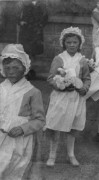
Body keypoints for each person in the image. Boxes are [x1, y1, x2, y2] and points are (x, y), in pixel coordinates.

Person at [45, 27, 91, 166]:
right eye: (69, 42)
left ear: (79, 44)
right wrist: (60, 85)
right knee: (55, 125)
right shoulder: (59, 58)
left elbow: (87, 78)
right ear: (64, 43)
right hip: (60, 97)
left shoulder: (82, 60)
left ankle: (71, 154)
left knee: (72, 126)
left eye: (74, 42)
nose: (71, 45)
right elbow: (51, 78)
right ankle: (52, 155)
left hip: (76, 98)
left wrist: (84, 88)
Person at [0, 44, 45, 180]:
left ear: (24, 68)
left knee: (14, 171)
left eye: (15, 67)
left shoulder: (32, 92)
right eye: (7, 68)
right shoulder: (1, 88)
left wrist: (22, 128)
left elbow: (40, 120)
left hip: (19, 142)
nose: (11, 72)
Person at [18, 0, 48, 79]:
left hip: (36, 33)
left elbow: (45, 17)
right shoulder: (25, 4)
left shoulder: (42, 5)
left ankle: (32, 71)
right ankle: (26, 71)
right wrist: (21, 22)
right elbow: (18, 16)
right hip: (26, 32)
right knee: (26, 51)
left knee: (34, 52)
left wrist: (40, 25)